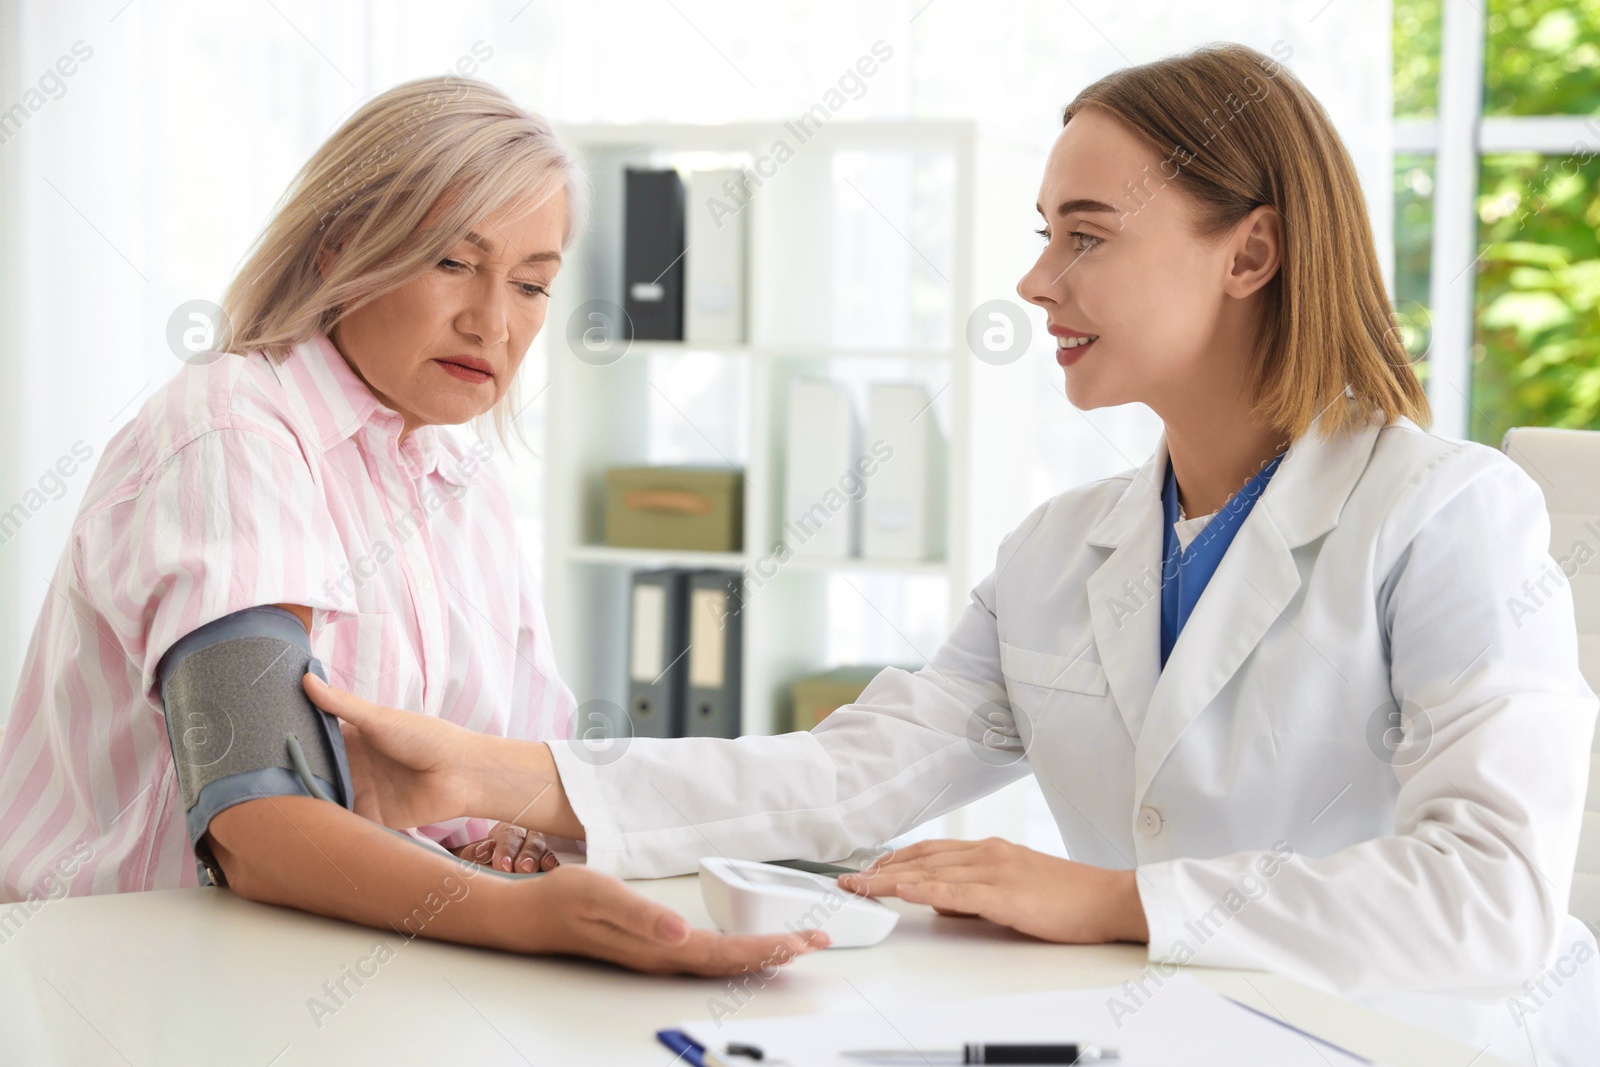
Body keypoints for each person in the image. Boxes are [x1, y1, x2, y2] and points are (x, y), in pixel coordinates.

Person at [302, 41, 1599, 1030]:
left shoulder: (1449, 516)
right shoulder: (1059, 549)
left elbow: (1488, 897)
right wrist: (485, 773)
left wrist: (1111, 896)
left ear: (1250, 252)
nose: (1037, 282)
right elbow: (843, 774)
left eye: (1085, 237)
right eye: (1045, 237)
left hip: (1412, 1040)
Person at [0, 75, 826, 976]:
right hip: (133, 982)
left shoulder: (459, 482)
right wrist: (523, 915)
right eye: (451, 263)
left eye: (531, 285)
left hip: (361, 979)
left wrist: (508, 842)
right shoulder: (232, 431)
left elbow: (526, 776)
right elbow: (257, 820)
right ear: (338, 244)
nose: (492, 322)